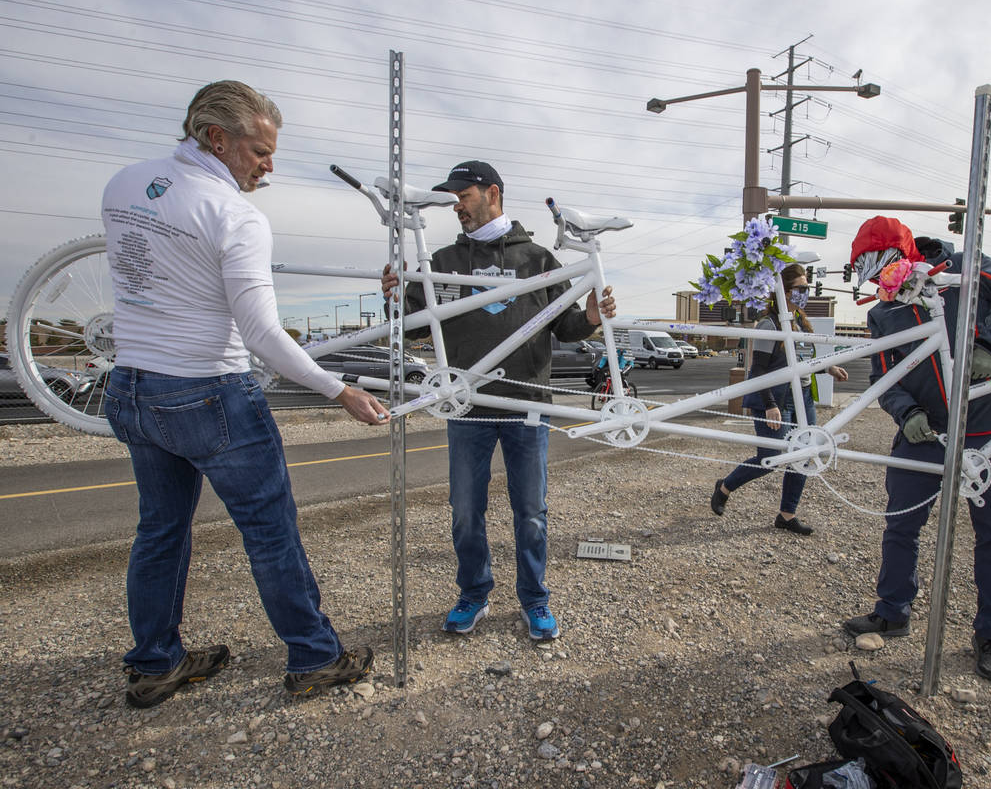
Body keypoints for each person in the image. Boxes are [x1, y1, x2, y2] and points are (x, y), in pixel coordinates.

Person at [102, 81, 387, 708]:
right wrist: (338, 389)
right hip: (209, 392)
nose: (269, 165)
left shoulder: (124, 184)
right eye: (259, 151)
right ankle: (314, 656)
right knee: (270, 533)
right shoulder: (234, 215)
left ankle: (155, 662)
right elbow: (261, 334)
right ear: (216, 137)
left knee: (160, 529)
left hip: (133, 387)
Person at [381, 160, 616, 640]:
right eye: (452, 197)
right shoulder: (444, 260)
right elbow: (420, 324)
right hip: (466, 408)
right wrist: (396, 296)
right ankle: (474, 594)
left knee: (530, 512)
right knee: (466, 511)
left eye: (462, 194)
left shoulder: (536, 260)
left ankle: (535, 599)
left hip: (528, 407)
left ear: (492, 193)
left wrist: (590, 314)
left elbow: (566, 326)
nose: (456, 204)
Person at [840, 216, 991, 684]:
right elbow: (884, 375)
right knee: (900, 527)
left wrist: (990, 341)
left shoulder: (960, 271)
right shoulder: (883, 312)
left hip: (987, 428)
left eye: (878, 268)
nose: (878, 282)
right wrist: (905, 411)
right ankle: (892, 612)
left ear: (900, 255)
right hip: (925, 433)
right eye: (869, 274)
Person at [709, 263, 849, 535]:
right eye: (801, 288)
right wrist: (771, 404)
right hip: (775, 399)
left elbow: (805, 360)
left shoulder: (799, 321)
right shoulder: (769, 324)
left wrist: (828, 367)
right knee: (771, 455)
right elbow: (758, 370)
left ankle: (786, 514)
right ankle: (725, 486)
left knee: (806, 453)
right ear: (783, 291)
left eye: (807, 288)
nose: (806, 293)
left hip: (802, 398)